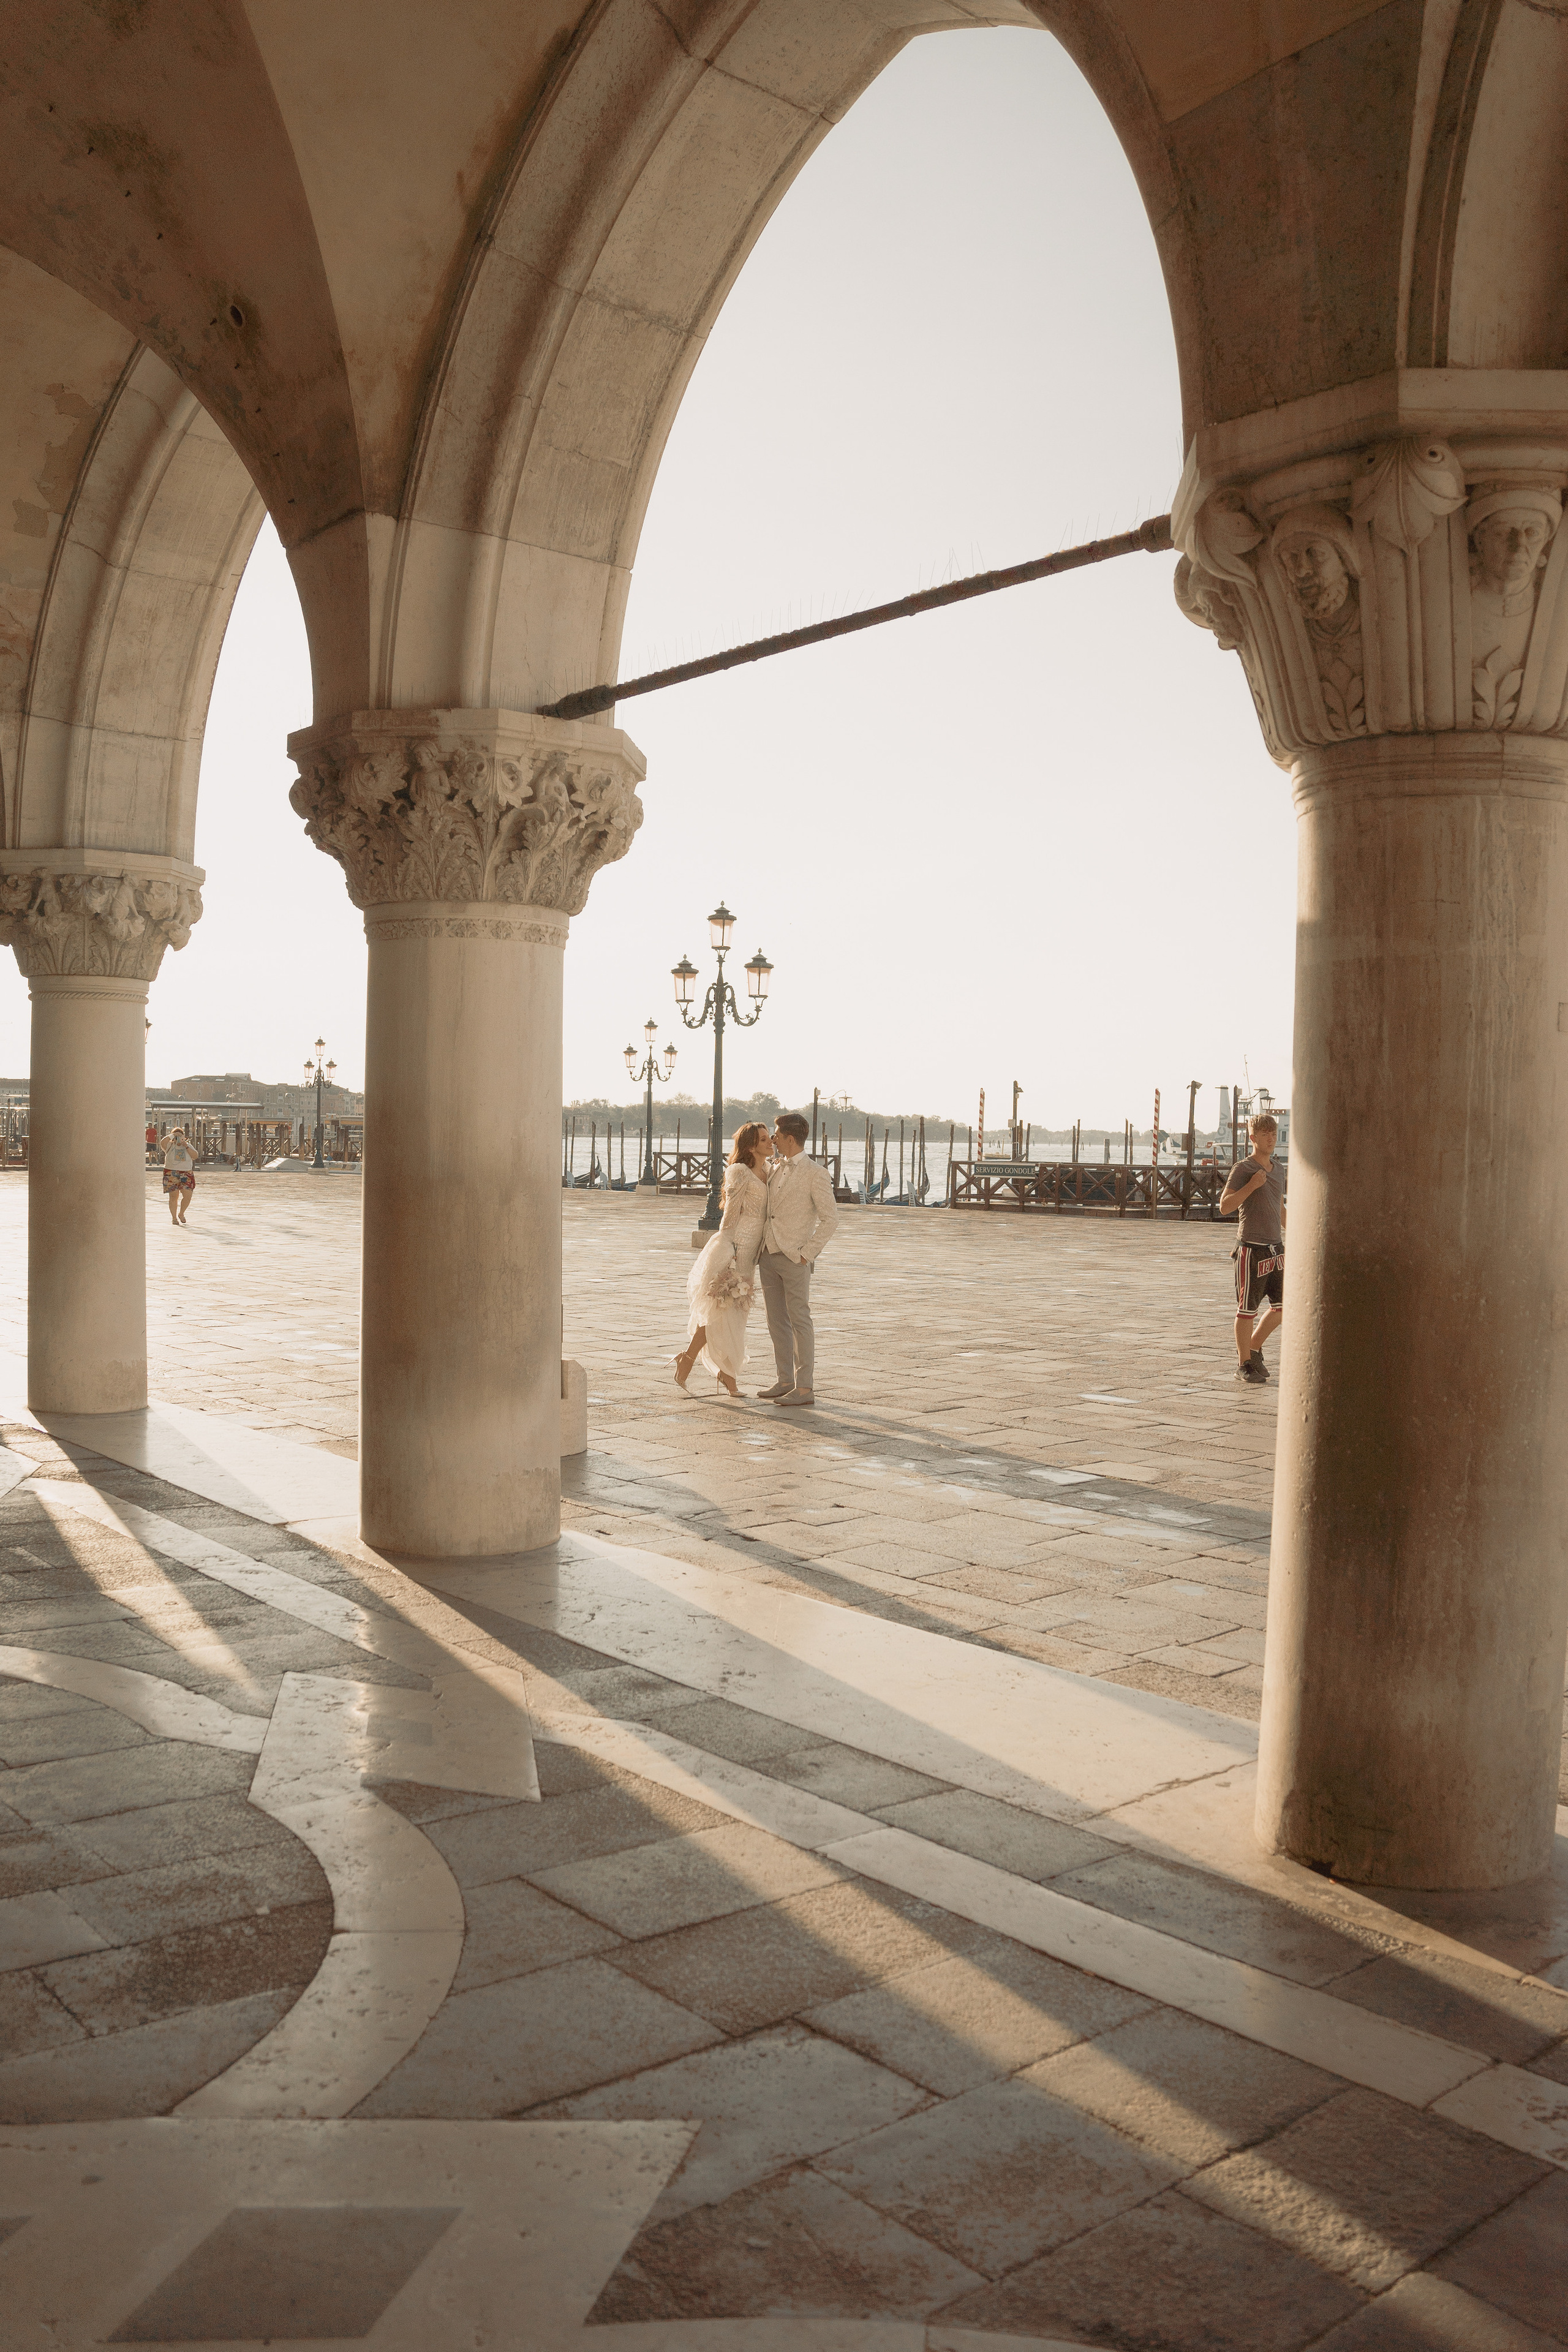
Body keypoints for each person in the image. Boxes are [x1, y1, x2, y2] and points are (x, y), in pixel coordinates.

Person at [675, 1121, 771, 1399]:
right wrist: (730, 1251)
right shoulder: (739, 1171)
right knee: (722, 1310)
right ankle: (727, 1377)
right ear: (751, 1145)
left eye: (769, 1139)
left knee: (734, 1313)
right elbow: (730, 1214)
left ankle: (693, 1360)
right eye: (764, 1140)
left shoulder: (767, 1171)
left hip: (751, 1252)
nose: (770, 1143)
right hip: (736, 1246)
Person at [757, 1110, 838, 1406]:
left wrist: (806, 1254)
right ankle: (784, 1380)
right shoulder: (774, 1166)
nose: (773, 1138)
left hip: (795, 1258)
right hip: (767, 1255)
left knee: (800, 1321)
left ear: (790, 1138)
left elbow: (831, 1220)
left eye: (777, 1134)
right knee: (776, 1321)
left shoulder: (816, 1174)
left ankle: (805, 1387)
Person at [1219, 1111, 1285, 1382]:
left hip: (1276, 1249)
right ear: (1253, 1138)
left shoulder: (1280, 1169)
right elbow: (1225, 1206)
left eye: (1273, 1134)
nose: (1270, 1139)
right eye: (1264, 1135)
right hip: (1250, 1248)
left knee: (1284, 1306)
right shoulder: (1243, 1169)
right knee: (1247, 1308)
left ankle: (1254, 1348)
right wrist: (1251, 1185)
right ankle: (1243, 1363)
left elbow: (1279, 1207)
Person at [161, 1125, 197, 1225]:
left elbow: (195, 1156)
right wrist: (172, 1136)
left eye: (180, 1136)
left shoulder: (188, 1146)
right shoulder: (169, 1146)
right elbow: (162, 1142)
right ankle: (174, 1218)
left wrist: (185, 1145)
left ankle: (181, 1213)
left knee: (188, 1195)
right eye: (176, 1136)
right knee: (173, 1196)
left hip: (186, 1172)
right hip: (171, 1172)